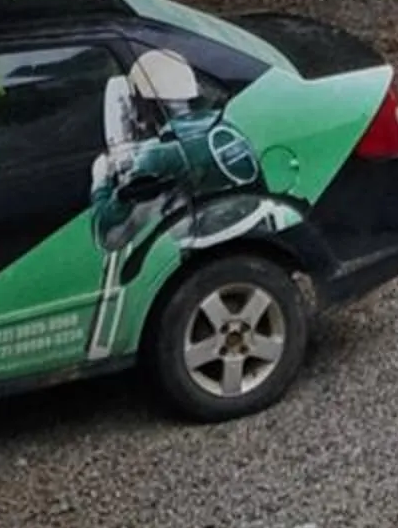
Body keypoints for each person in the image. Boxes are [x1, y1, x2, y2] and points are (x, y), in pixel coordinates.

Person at [85, 48, 268, 358]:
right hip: (255, 248)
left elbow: (112, 234)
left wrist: (102, 180)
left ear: (144, 104)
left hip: (204, 267)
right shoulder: (221, 127)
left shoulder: (159, 153)